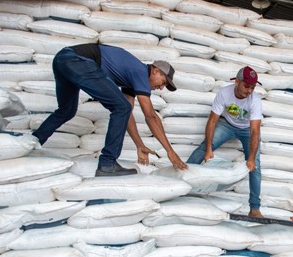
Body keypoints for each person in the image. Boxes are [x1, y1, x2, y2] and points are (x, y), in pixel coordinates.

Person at [31, 43, 187, 177]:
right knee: (121, 107)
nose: (161, 87)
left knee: (67, 110)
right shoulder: (140, 71)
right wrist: (170, 151)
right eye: (163, 82)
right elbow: (151, 116)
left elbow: (126, 115)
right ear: (155, 71)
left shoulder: (131, 79)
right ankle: (107, 164)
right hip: (78, 60)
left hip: (62, 59)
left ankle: (33, 142)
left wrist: (139, 144)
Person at [186, 66, 263, 218]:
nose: (249, 91)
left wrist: (252, 159)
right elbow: (212, 121)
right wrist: (209, 149)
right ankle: (183, 184)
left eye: (252, 87)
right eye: (246, 86)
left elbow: (255, 131)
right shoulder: (224, 93)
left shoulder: (255, 100)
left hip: (247, 129)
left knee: (256, 165)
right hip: (226, 124)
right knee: (203, 149)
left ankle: (255, 207)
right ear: (237, 81)